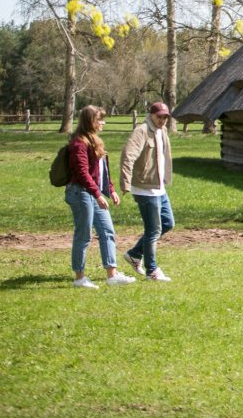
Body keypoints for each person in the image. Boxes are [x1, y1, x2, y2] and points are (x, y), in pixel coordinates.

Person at [65, 105, 136, 289]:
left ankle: (112, 275)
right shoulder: (79, 143)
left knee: (107, 231)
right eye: (99, 119)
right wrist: (97, 194)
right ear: (90, 121)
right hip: (80, 193)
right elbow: (82, 173)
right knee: (83, 235)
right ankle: (79, 278)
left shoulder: (95, 141)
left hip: (92, 193)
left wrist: (110, 190)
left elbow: (101, 171)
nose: (102, 122)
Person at [120, 101, 175, 282]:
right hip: (144, 188)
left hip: (159, 187)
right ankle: (152, 271)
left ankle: (135, 254)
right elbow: (128, 155)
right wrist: (125, 182)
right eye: (159, 116)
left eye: (165, 117)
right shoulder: (141, 131)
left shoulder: (163, 131)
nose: (162, 120)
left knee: (167, 223)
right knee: (153, 230)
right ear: (151, 115)